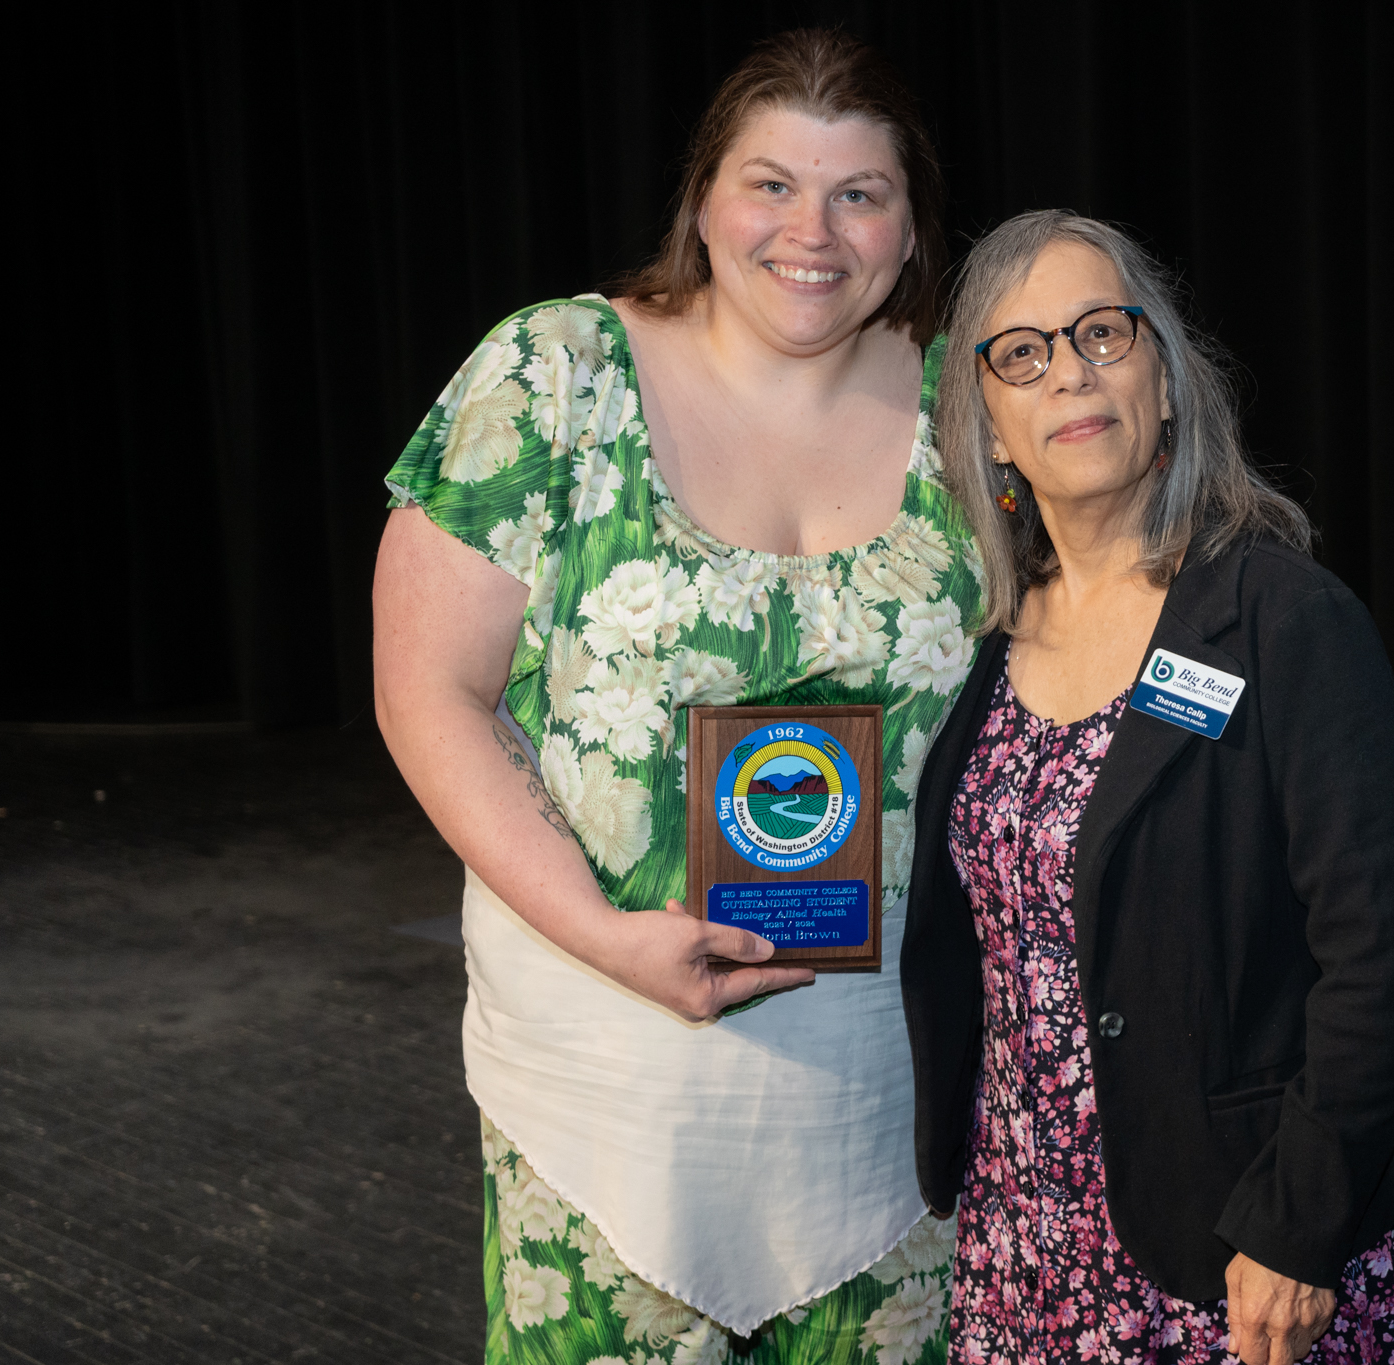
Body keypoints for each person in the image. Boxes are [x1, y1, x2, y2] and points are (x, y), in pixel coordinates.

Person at [372, 31, 981, 1364]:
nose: (810, 231)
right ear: (703, 201)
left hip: (894, 1091)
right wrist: (603, 932)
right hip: (615, 1072)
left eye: (859, 193)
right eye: (770, 184)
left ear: (913, 225)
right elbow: (431, 694)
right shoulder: (554, 376)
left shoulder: (973, 406)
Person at [900, 211, 1394, 1365]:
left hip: (1238, 1244)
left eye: (1102, 332)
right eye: (1023, 353)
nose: (1071, 373)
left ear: (1165, 381)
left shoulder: (1284, 623)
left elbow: (1372, 953)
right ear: (989, 430)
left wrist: (1298, 1231)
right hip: (1023, 1238)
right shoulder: (989, 650)